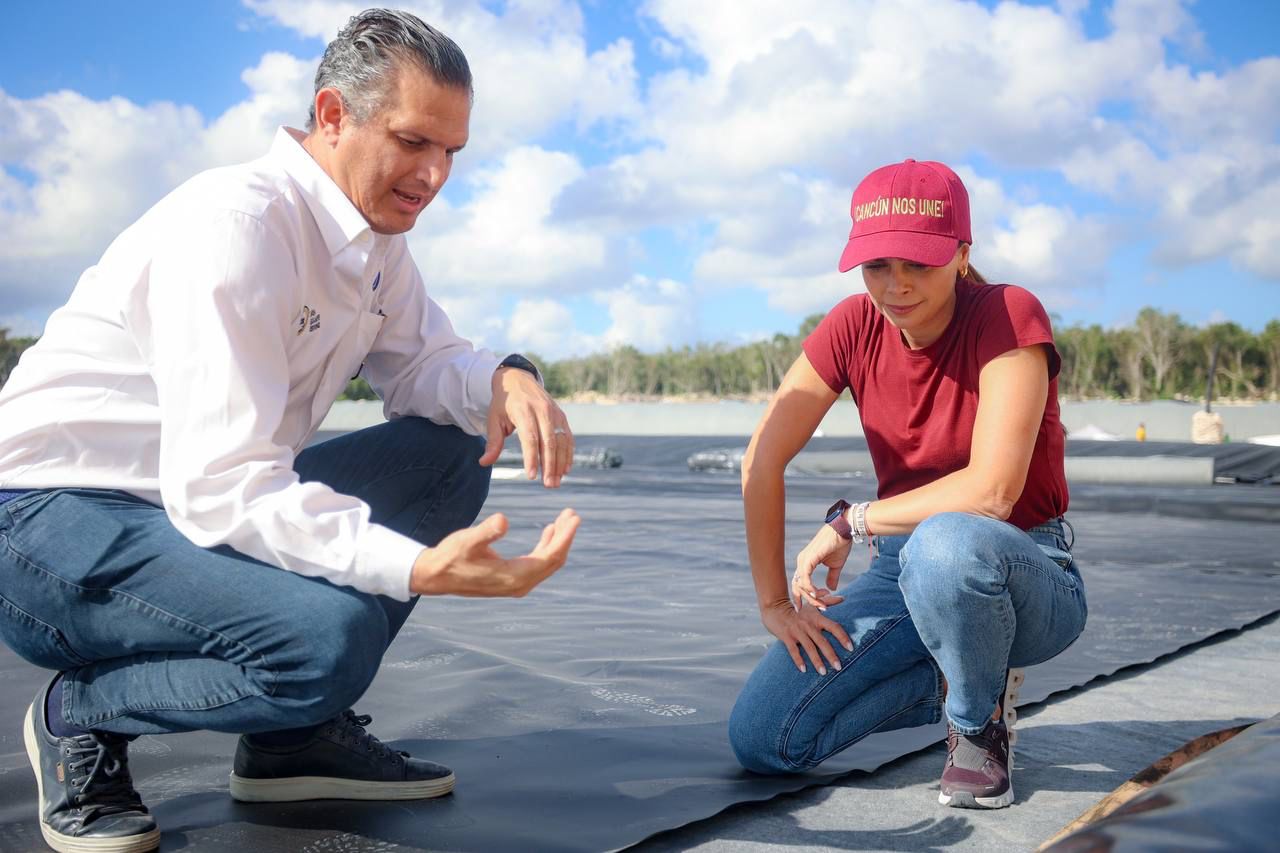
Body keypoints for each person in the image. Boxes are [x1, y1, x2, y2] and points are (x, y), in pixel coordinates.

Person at [0, 9, 580, 852]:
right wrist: (412, 565)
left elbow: (426, 365)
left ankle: (291, 740)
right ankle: (79, 714)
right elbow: (224, 485)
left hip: (182, 503)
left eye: (453, 151)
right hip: (47, 524)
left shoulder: (374, 241)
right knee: (324, 641)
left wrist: (503, 377)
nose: (435, 175)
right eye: (414, 141)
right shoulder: (237, 228)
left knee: (450, 449)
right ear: (334, 114)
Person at [728, 159, 1087, 810]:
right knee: (763, 738)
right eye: (877, 266)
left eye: (918, 263)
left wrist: (852, 521)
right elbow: (762, 457)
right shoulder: (851, 326)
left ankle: (978, 727)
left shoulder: (1008, 314)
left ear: (961, 253)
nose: (896, 286)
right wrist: (774, 601)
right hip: (903, 566)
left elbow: (991, 494)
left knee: (946, 542)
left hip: (1020, 567)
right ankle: (952, 677)